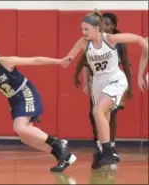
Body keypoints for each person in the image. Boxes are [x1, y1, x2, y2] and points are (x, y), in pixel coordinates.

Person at [0, 41, 76, 172]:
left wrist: (60, 61)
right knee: (25, 137)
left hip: (25, 92)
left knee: (19, 127)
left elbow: (34, 60)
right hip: (14, 100)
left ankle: (57, 142)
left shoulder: (5, 62)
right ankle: (63, 156)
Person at [65, 9, 148, 168]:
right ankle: (103, 150)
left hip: (115, 79)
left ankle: (109, 151)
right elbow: (71, 58)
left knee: (97, 111)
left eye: (86, 29)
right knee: (103, 115)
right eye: (82, 29)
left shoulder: (111, 39)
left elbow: (137, 38)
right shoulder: (84, 42)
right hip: (97, 81)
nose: (83, 32)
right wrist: (61, 62)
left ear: (97, 28)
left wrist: (145, 46)